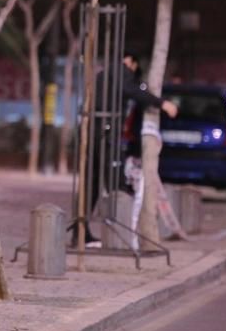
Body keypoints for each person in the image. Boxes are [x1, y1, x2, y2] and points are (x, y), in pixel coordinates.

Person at [74, 52, 178, 246]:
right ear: (131, 61)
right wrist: (161, 103)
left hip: (92, 131)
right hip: (105, 132)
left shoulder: (104, 73)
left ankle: (81, 232)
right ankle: (117, 233)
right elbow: (132, 90)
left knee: (92, 181)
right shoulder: (121, 72)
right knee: (115, 182)